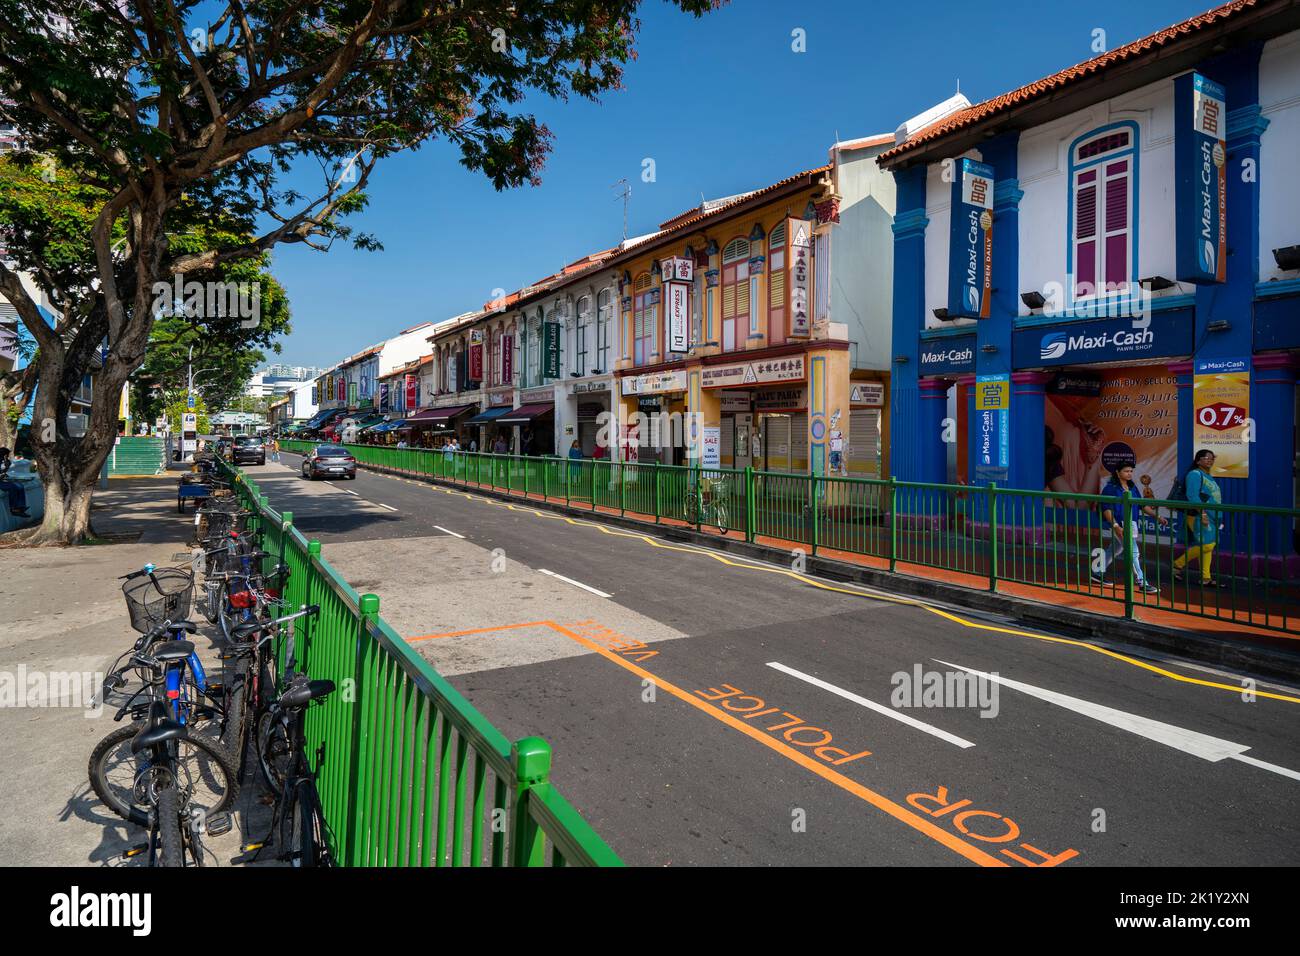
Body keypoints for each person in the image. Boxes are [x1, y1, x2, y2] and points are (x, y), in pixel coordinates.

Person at [1094, 461, 1167, 594]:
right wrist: (1115, 526)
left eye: (1131, 471)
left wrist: (1156, 516)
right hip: (1118, 524)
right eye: (1126, 471)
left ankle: (1096, 571)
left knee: (1116, 549)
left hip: (1130, 524)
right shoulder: (1110, 488)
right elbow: (1106, 509)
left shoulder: (1132, 487)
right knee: (1134, 552)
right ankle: (1141, 582)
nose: (1129, 474)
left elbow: (1141, 505)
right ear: (1117, 472)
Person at [1172, 449, 1224, 587]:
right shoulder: (1195, 474)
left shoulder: (1207, 475)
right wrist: (1203, 513)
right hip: (1199, 516)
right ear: (1198, 460)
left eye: (1212, 458)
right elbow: (1192, 496)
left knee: (1206, 546)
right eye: (1207, 458)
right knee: (1207, 545)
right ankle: (1177, 565)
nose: (1210, 461)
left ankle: (1205, 578)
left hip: (1211, 517)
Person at [0, 447, 30, 517]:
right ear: (4, 455)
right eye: (7, 455)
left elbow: (2, 472)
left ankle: (21, 507)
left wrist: (6, 467)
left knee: (20, 486)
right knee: (13, 487)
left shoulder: (3, 461)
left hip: (1, 481)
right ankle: (14, 508)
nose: (7, 457)